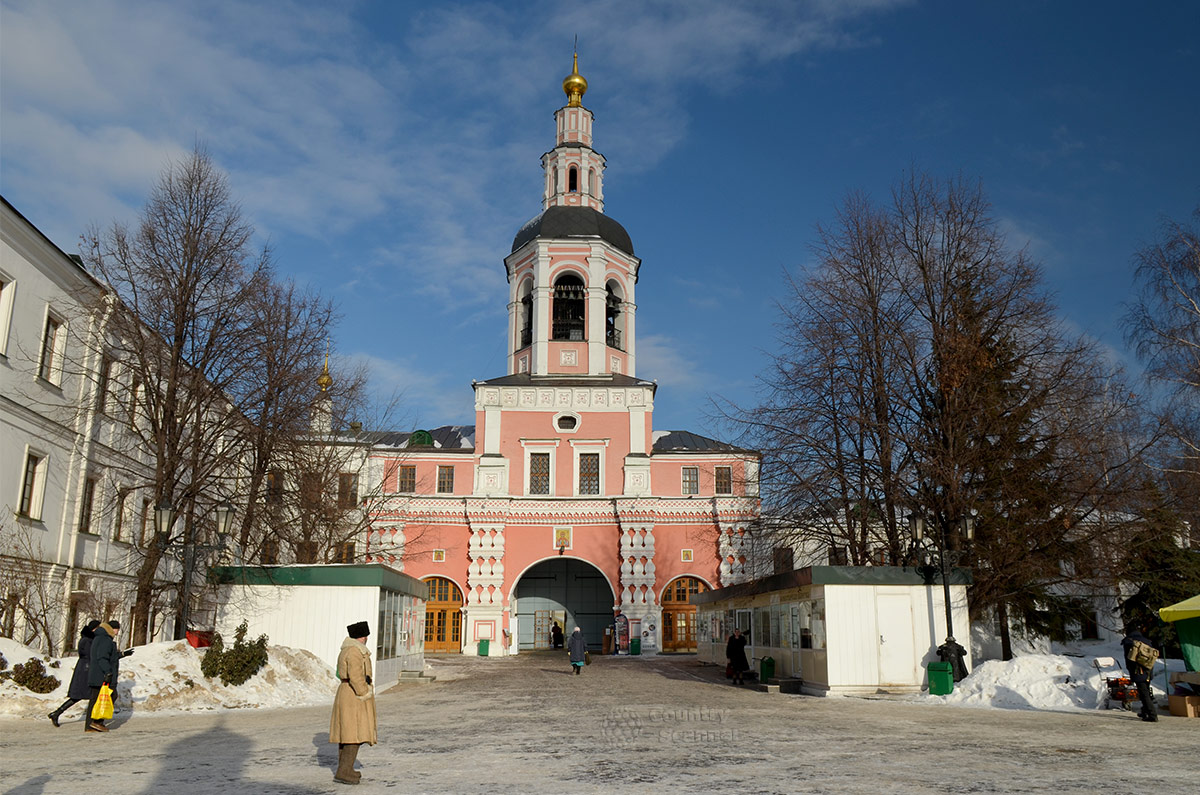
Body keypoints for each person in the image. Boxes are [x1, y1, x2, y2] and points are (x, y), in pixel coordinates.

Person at [330, 620, 377, 785]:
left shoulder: (348, 650)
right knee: (353, 735)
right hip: (353, 696)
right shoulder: (354, 652)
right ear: (362, 636)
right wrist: (364, 692)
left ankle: (345, 769)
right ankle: (344, 771)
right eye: (365, 636)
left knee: (348, 734)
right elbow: (356, 676)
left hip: (348, 693)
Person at [48, 620, 101, 727]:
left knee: (82, 695)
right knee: (85, 695)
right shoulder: (87, 640)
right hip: (85, 670)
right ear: (94, 629)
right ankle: (93, 721)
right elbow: (89, 655)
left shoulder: (88, 639)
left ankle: (57, 713)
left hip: (85, 669)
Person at [84, 619, 121, 733]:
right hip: (101, 675)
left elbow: (108, 656)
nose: (117, 632)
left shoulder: (100, 637)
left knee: (95, 699)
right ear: (112, 629)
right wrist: (108, 672)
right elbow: (103, 658)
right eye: (117, 629)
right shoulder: (105, 640)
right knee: (109, 696)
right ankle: (96, 722)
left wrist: (122, 654)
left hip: (97, 674)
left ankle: (91, 725)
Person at [1121, 624, 1158, 722]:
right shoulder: (1146, 640)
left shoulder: (1129, 641)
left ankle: (1152, 715)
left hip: (1138, 671)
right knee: (1146, 691)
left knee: (1144, 693)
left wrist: (1131, 670)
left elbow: (1129, 659)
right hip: (1148, 669)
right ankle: (1145, 711)